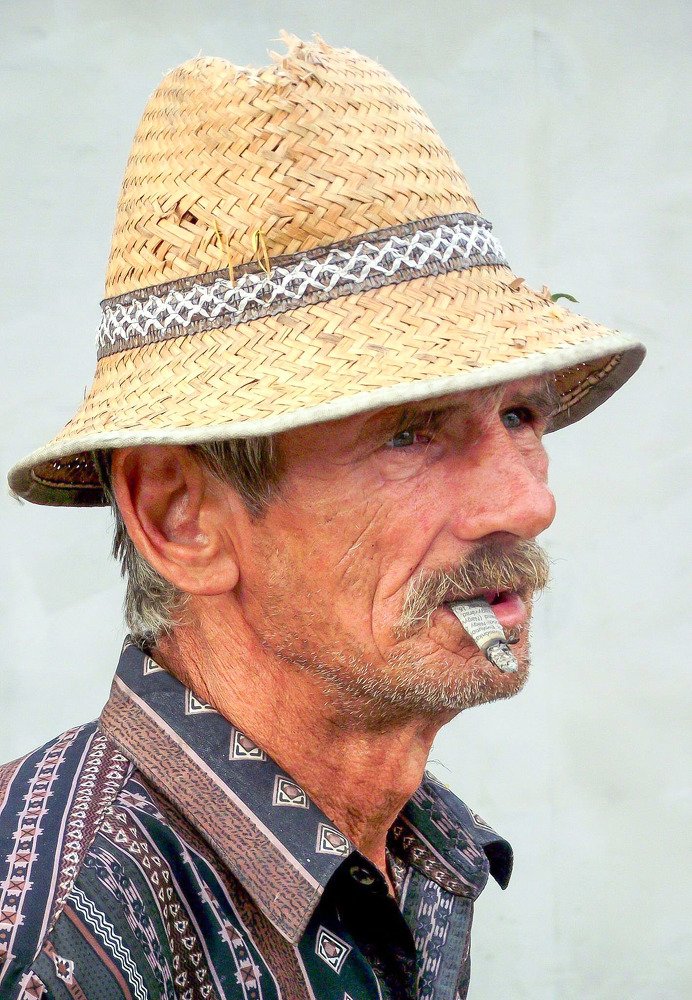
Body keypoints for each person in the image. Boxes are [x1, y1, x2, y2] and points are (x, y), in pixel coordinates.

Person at [2, 33, 644, 1000]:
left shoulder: (407, 848)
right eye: (413, 436)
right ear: (182, 518)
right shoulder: (57, 940)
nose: (528, 500)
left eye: (520, 414)